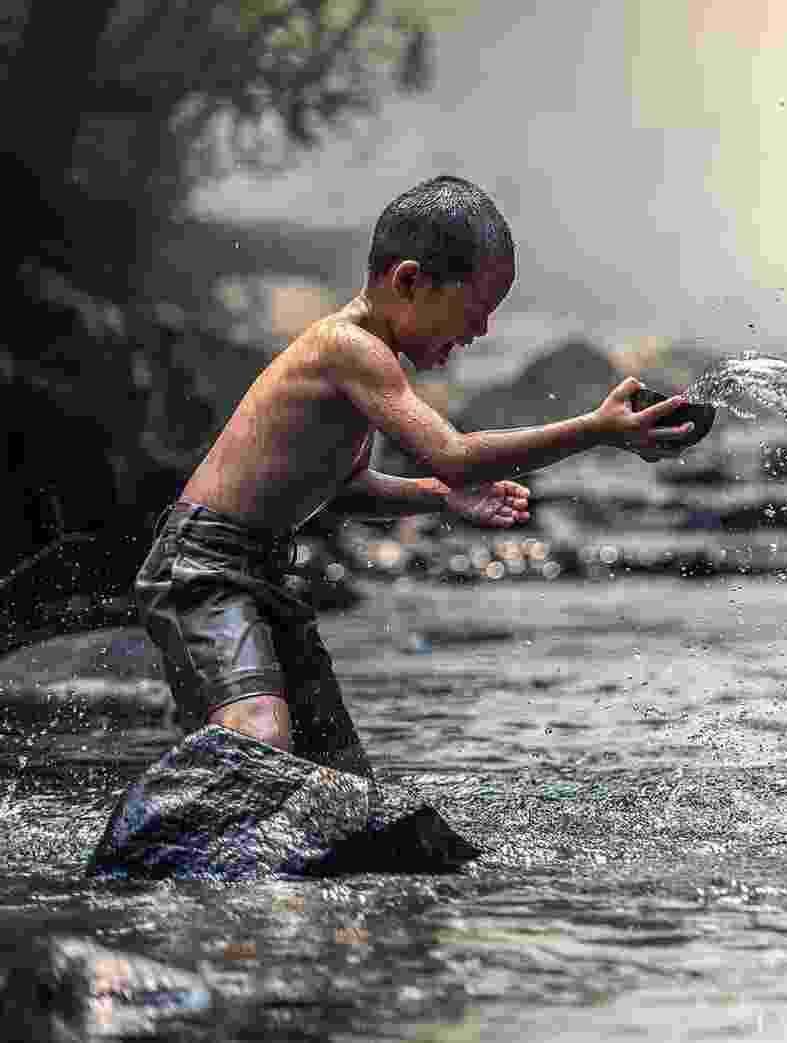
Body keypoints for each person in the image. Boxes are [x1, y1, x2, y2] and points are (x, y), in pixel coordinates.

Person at [135, 175, 705, 777]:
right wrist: (596, 429)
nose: (482, 331)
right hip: (204, 568)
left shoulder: (363, 364)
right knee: (261, 738)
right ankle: (169, 840)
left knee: (337, 775)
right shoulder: (346, 347)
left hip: (261, 572)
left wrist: (439, 500)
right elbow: (454, 454)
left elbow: (347, 487)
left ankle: (209, 786)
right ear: (409, 281)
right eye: (476, 310)